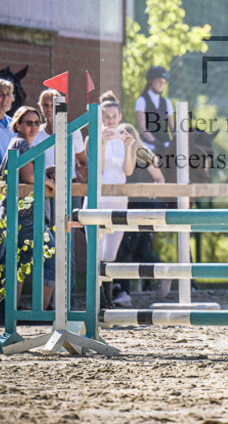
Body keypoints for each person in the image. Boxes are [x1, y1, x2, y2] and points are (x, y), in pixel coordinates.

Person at [0, 105, 56, 310]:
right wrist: (48, 182)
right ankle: (40, 310)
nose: (33, 126)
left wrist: (47, 171)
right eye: (28, 122)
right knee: (52, 256)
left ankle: (10, 311)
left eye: (36, 123)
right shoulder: (21, 143)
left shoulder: (19, 144)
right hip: (26, 216)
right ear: (18, 125)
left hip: (17, 215)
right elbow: (29, 177)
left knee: (19, 264)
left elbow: (30, 171)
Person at [88, 91, 137, 308]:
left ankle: (107, 296)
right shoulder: (93, 137)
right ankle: (98, 299)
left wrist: (128, 148)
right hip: (98, 197)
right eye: (106, 116)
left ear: (119, 116)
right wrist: (103, 144)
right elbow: (95, 170)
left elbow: (128, 170)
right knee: (96, 251)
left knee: (111, 253)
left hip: (119, 196)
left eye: (113, 116)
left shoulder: (124, 137)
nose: (110, 120)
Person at [117, 123, 173, 302]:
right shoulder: (119, 155)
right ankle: (160, 273)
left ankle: (123, 291)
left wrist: (152, 192)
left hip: (143, 204)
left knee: (128, 248)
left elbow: (159, 179)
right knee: (135, 249)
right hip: (126, 204)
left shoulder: (143, 153)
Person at [33, 89, 88, 183]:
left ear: (61, 108)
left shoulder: (73, 132)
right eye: (46, 105)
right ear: (41, 108)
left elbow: (83, 161)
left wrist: (84, 176)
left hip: (69, 185)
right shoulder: (35, 132)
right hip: (43, 186)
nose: (49, 109)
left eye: (53, 105)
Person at [134, 65, 176, 182]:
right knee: (144, 159)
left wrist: (176, 139)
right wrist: (155, 142)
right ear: (150, 81)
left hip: (165, 142)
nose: (161, 85)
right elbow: (142, 127)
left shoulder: (166, 102)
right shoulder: (141, 100)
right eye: (159, 81)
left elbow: (173, 126)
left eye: (163, 82)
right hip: (149, 143)